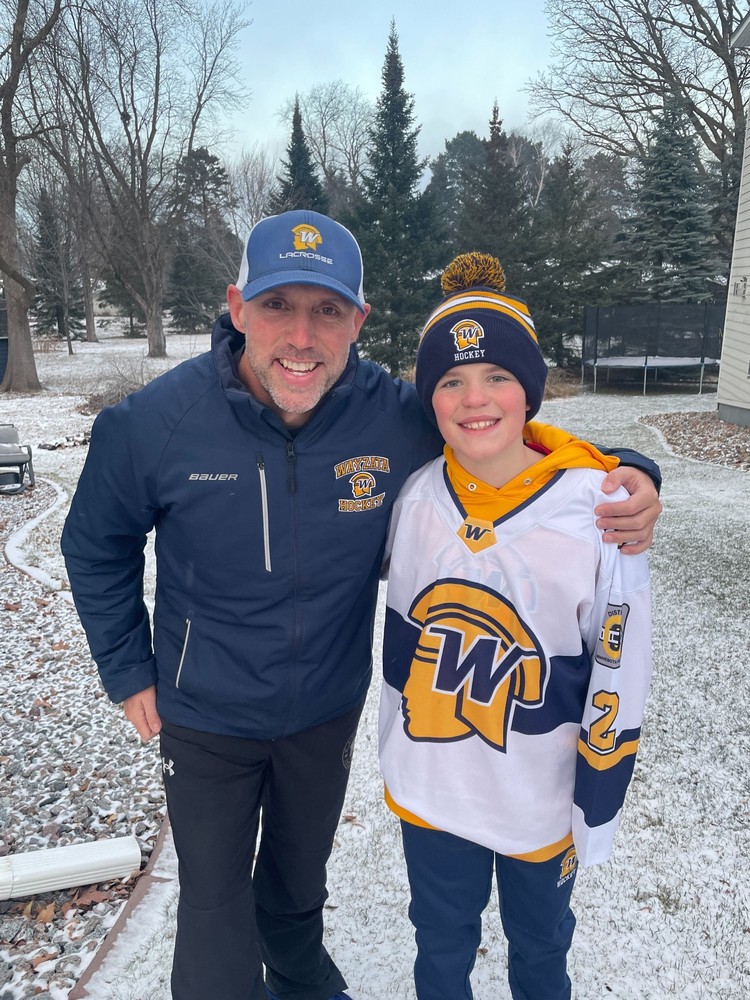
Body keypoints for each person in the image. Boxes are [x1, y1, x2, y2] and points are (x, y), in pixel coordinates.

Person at [61, 211, 661, 1000]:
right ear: (237, 308)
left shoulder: (392, 415)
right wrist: (127, 667)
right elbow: (94, 543)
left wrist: (629, 472)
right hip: (205, 707)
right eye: (277, 305)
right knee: (213, 901)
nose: (301, 337)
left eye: (328, 311)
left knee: (297, 877)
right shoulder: (156, 424)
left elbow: (495, 429)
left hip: (323, 704)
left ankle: (302, 981)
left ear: (358, 321)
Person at [378, 252, 653, 1000]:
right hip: (432, 790)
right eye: (450, 380)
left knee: (540, 948)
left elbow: (621, 669)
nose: (476, 398)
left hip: (539, 797)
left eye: (498, 375)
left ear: (530, 388)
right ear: (428, 399)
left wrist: (597, 799)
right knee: (440, 948)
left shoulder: (599, 510)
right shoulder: (412, 498)